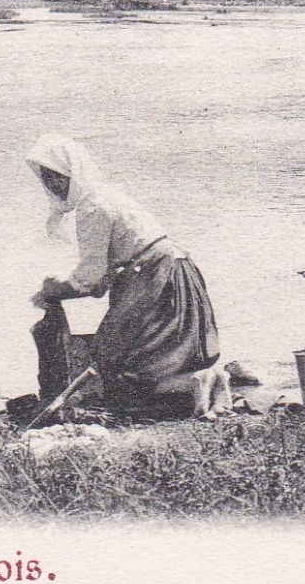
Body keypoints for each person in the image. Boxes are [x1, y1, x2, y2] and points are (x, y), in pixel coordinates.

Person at [25, 133, 225, 417]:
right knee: (164, 352)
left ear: (74, 173)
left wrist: (51, 290)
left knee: (118, 362)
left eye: (57, 176)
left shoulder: (91, 207)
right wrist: (83, 284)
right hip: (174, 269)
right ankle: (204, 380)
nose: (52, 185)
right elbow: (103, 276)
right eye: (46, 178)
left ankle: (195, 383)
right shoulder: (105, 194)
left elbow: (91, 278)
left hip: (156, 277)